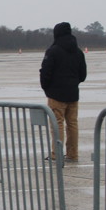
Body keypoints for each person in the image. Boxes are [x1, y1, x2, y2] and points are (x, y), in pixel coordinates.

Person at [39, 22, 87, 163]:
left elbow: (45, 72)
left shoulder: (53, 51)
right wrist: (73, 83)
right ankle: (72, 154)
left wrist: (46, 88)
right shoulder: (78, 52)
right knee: (72, 124)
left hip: (56, 94)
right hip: (73, 93)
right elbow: (83, 75)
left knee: (57, 124)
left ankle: (57, 154)